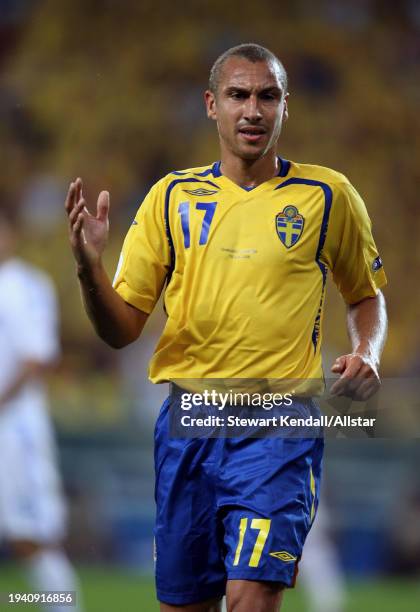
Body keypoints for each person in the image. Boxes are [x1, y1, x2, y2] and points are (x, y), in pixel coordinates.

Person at [65, 43, 387, 612]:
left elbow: (365, 295)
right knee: (186, 605)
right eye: (239, 95)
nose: (253, 110)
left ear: (287, 106)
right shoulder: (170, 198)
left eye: (267, 96)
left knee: (249, 599)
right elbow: (120, 330)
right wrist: (90, 272)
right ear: (212, 105)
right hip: (189, 423)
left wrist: (369, 350)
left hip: (278, 424)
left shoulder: (329, 196)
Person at [0, 208, 83, 612]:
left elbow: (35, 359)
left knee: (32, 535)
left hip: (15, 428)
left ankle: (61, 606)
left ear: (11, 233)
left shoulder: (25, 285)